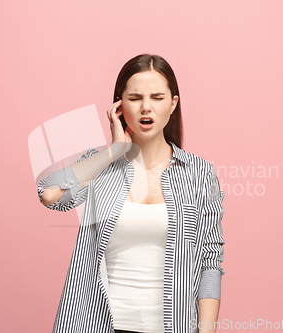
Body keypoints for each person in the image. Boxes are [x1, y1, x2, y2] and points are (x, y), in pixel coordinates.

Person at [38, 54, 226, 333]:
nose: (146, 107)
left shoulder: (198, 173)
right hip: (96, 325)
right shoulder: (100, 164)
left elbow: (210, 260)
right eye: (135, 98)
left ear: (173, 103)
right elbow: (50, 194)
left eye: (158, 97)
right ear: (119, 106)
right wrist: (113, 151)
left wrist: (206, 331)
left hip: (173, 326)